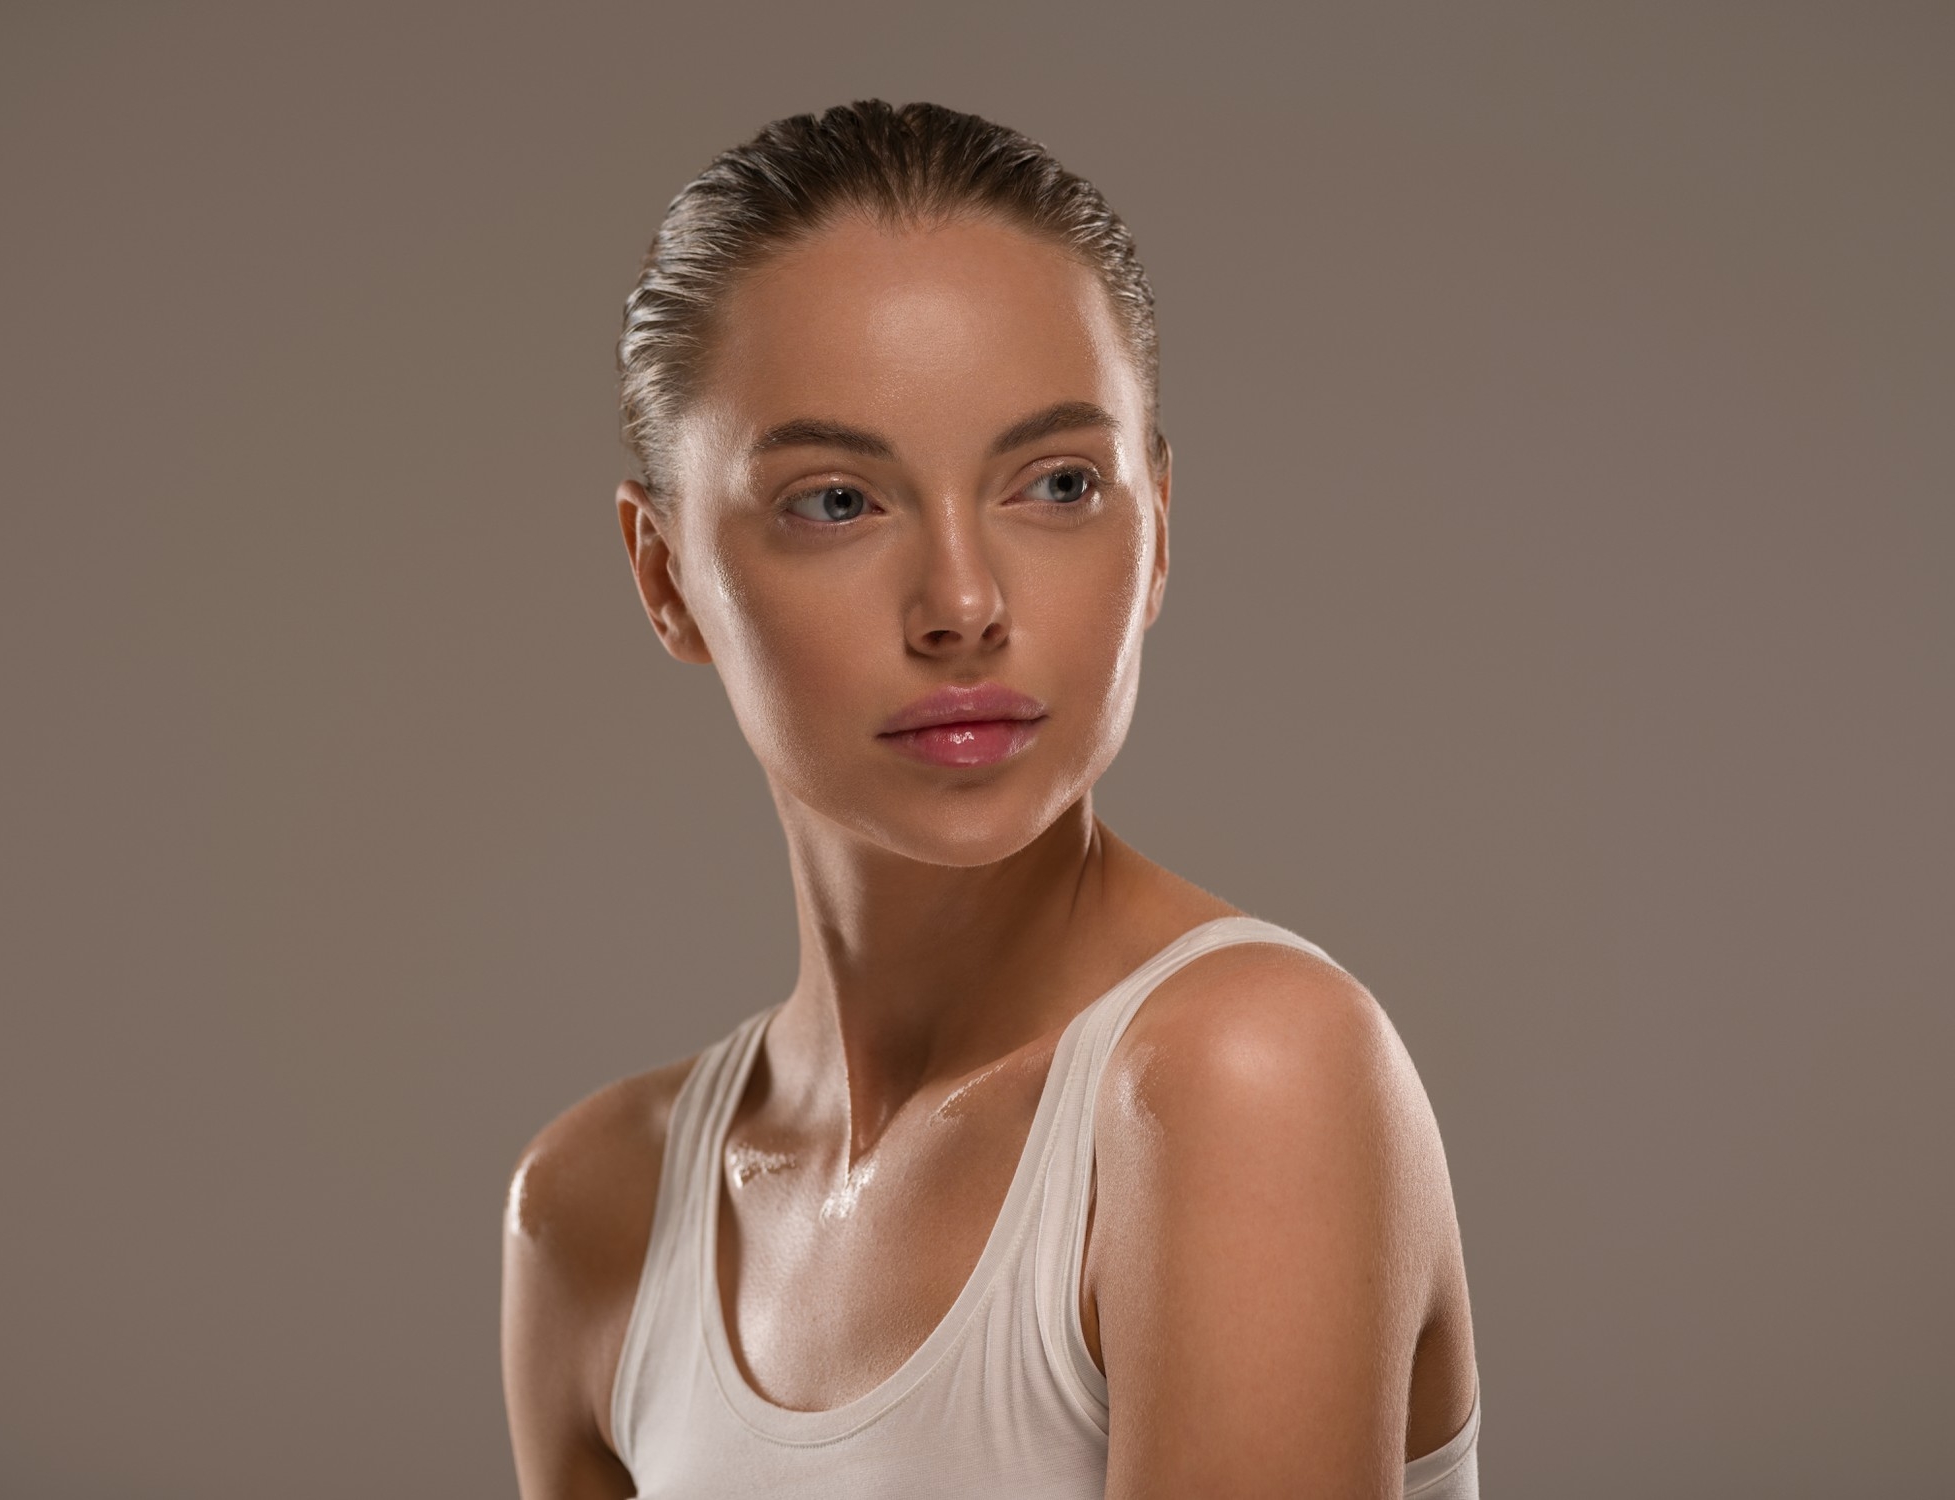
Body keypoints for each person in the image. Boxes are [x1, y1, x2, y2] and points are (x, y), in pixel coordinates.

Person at [501, 99, 1479, 1499]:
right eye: (838, 502)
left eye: (1058, 483)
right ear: (664, 576)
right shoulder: (593, 1213)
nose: (963, 606)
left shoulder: (1244, 1077)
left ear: (1157, 536)